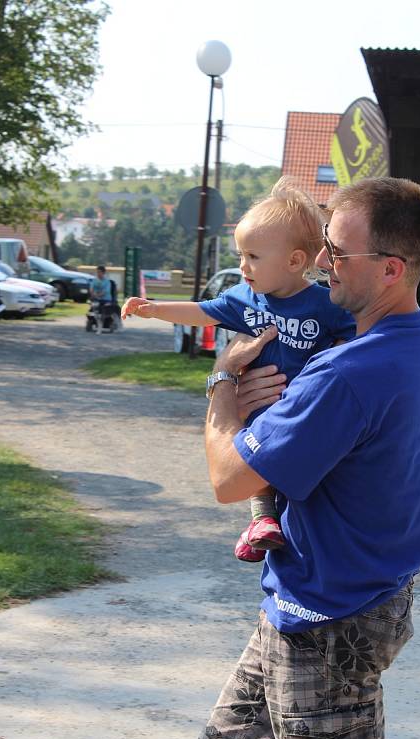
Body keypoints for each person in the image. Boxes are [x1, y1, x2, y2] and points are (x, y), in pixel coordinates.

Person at [187, 177, 420, 739]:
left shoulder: (349, 373)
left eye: (337, 251)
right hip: (307, 604)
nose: (322, 261)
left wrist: (222, 390)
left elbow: (230, 480)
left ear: (390, 269)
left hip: (330, 622)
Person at [121, 178, 355, 561]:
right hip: (261, 410)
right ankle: (262, 522)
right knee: (254, 456)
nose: (242, 266)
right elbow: (203, 311)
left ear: (295, 262)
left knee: (305, 472)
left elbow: (350, 336)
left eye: (253, 257)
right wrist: (155, 308)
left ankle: (294, 528)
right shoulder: (244, 299)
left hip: (302, 409)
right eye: (240, 255)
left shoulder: (324, 304)